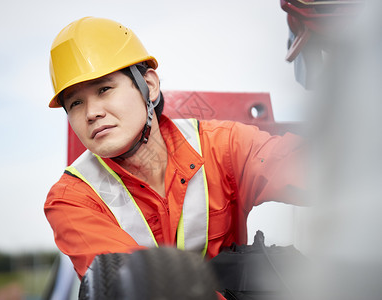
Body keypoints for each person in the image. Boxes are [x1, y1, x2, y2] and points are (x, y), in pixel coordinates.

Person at [44, 16, 306, 280]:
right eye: (75, 103)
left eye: (104, 89)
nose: (92, 113)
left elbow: (323, 172)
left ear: (149, 86)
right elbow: (136, 289)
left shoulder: (223, 148)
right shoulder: (72, 200)